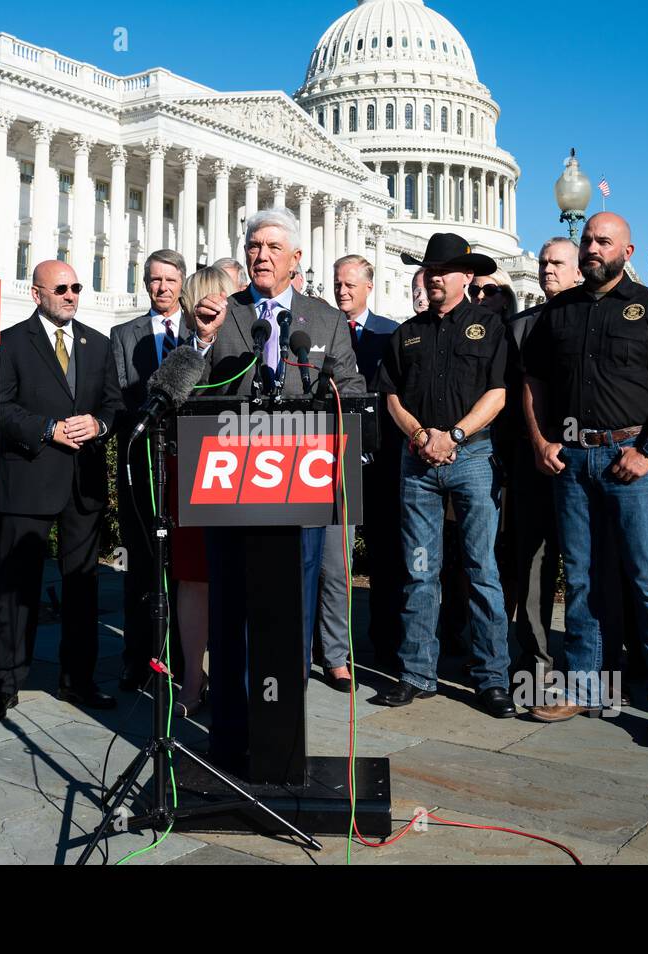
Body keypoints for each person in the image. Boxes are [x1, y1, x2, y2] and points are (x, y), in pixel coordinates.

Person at [188, 207, 364, 766]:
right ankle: (231, 732)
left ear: (296, 260)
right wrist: (199, 341)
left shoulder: (324, 320)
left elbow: (352, 386)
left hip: (299, 484)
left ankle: (283, 731)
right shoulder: (225, 315)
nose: (260, 255)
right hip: (231, 484)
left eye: (271, 247)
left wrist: (334, 403)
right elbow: (187, 389)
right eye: (253, 245)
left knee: (291, 607)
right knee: (232, 607)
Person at [521, 212, 648, 747]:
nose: (593, 248)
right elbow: (533, 380)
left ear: (627, 249)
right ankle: (582, 686)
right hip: (572, 461)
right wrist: (540, 440)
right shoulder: (558, 313)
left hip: (631, 460)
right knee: (581, 579)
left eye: (605, 241)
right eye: (588, 240)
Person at [373, 232, 515, 717]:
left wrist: (451, 436)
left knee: (482, 571)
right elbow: (390, 394)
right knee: (419, 571)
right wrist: (419, 436)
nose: (435, 276)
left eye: (446, 269)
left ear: (466, 276)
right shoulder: (404, 334)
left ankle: (492, 679)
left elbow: (498, 395)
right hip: (417, 464)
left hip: (472, 458)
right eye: (430, 269)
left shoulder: (489, 327)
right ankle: (416, 672)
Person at [0, 260, 123, 722]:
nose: (71, 295)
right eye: (61, 288)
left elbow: (114, 406)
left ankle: (78, 680)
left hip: (84, 484)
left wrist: (98, 423)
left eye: (76, 287)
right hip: (30, 476)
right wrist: (47, 429)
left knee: (82, 587)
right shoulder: (12, 342)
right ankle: (4, 685)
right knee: (17, 586)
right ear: (36, 293)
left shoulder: (98, 345)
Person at [500, 239, 581, 683]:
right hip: (531, 459)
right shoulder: (518, 327)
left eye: (557, 264)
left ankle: (592, 661)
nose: (548, 270)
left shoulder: (593, 319)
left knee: (587, 563)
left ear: (577, 272)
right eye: (544, 262)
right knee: (531, 562)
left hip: (587, 457)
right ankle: (535, 660)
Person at [323, 254, 402, 685]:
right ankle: (332, 647)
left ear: (369, 286)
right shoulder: (320, 331)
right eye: (338, 284)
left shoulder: (391, 334)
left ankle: (386, 643)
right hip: (334, 462)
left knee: (386, 557)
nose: (342, 291)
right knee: (335, 562)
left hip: (382, 462)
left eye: (350, 284)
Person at [111, 249, 187, 693]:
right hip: (141, 464)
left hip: (186, 463)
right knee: (140, 563)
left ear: (182, 283)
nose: (161, 288)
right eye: (154, 280)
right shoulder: (124, 335)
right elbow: (118, 397)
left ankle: (178, 657)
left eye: (169, 280)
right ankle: (136, 657)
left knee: (181, 565)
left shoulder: (197, 333)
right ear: (145, 284)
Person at [169, 265, 235, 715]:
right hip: (195, 465)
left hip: (246, 467)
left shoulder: (255, 341)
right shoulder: (184, 351)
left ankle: (230, 679)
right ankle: (192, 680)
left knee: (233, 581)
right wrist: (204, 341)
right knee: (194, 580)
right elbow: (175, 394)